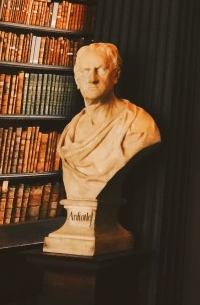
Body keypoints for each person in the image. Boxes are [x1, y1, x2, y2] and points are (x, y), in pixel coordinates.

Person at [58, 42, 161, 202]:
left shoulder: (139, 125)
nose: (92, 79)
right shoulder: (71, 130)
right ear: (77, 78)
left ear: (116, 75)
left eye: (101, 69)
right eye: (86, 71)